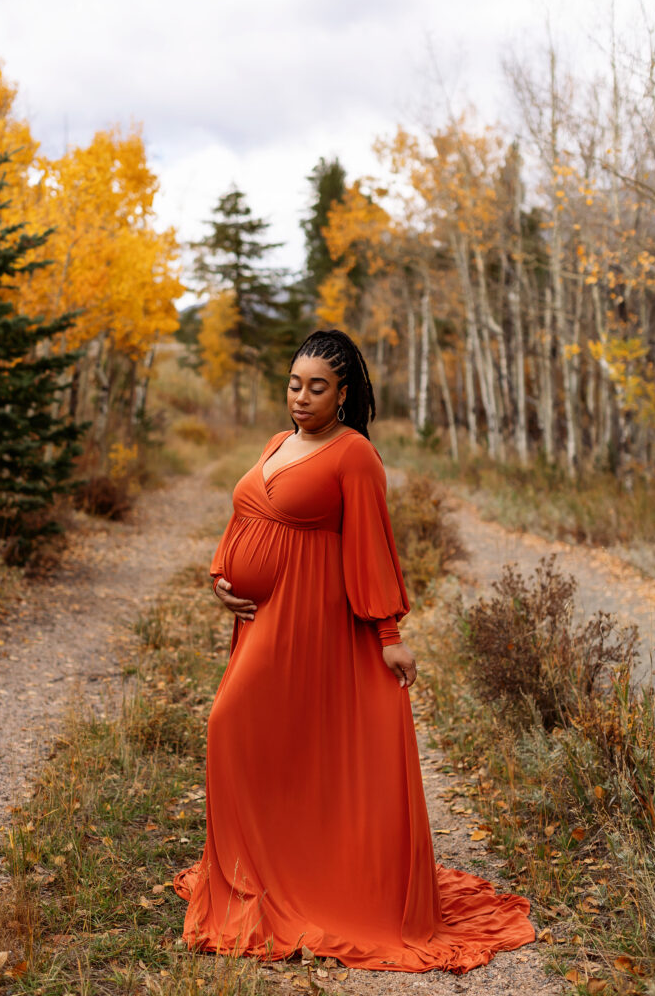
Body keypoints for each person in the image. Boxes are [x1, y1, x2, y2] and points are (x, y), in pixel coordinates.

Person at [174, 329, 534, 972]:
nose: (302, 397)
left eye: (317, 387)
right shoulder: (277, 444)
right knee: (249, 737)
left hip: (315, 622)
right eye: (294, 384)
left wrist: (389, 637)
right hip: (264, 619)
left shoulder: (354, 455)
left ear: (344, 394)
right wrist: (222, 579)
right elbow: (244, 519)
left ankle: (304, 884)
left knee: (231, 725)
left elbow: (370, 548)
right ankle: (256, 876)